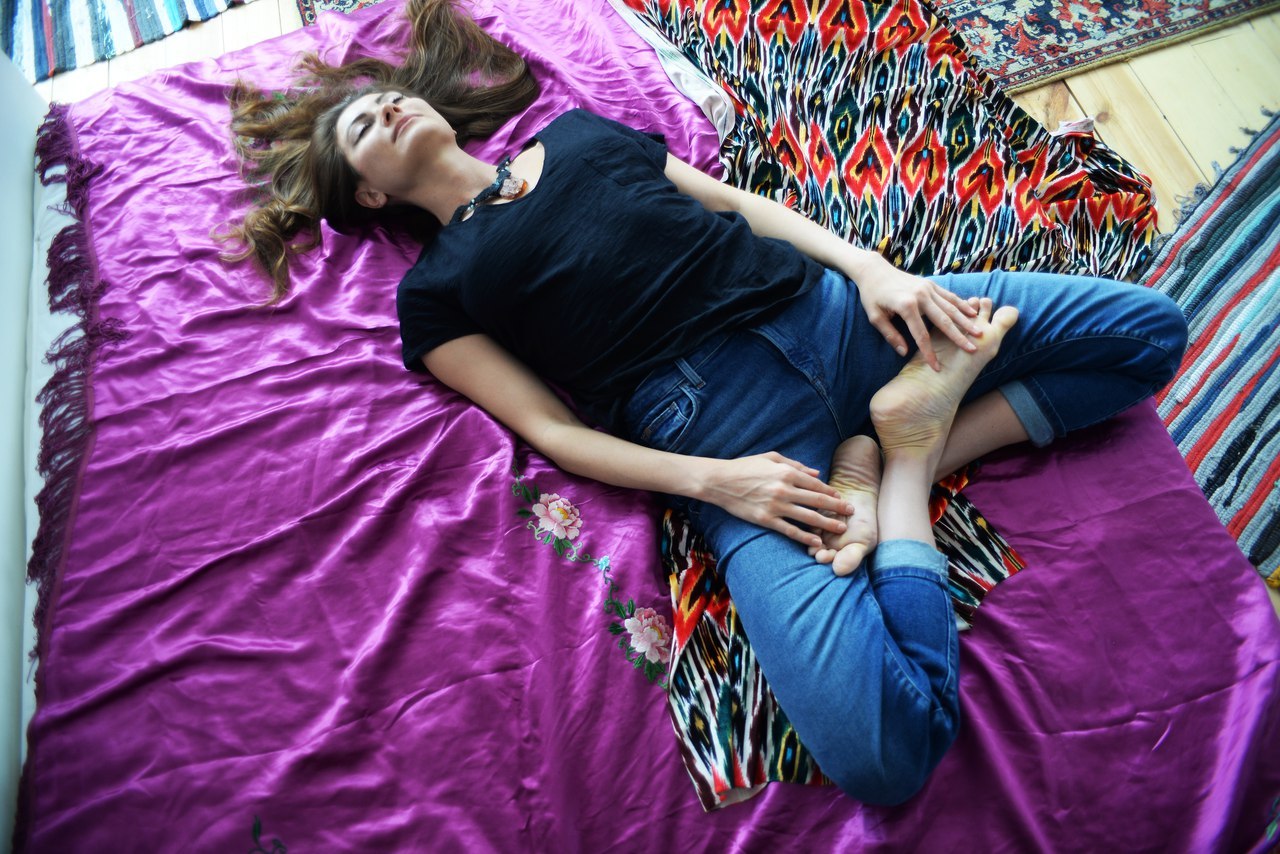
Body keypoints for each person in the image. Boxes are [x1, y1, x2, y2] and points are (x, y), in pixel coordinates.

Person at [224, 0, 1188, 806]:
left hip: (841, 322)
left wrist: (874, 270)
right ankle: (902, 464)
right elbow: (552, 430)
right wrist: (718, 484)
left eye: (387, 97)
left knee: (1147, 334)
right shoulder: (433, 295)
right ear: (370, 196)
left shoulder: (578, 136)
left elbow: (740, 207)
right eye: (363, 128)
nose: (386, 107)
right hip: (731, 441)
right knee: (884, 756)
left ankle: (918, 445)